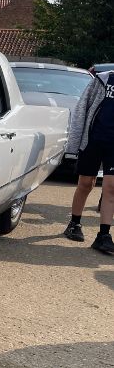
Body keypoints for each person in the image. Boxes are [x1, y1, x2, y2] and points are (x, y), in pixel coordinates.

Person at [63, 67, 114, 253]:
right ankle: (74, 223)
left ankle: (104, 235)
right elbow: (81, 110)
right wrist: (73, 147)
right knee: (86, 183)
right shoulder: (103, 79)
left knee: (111, 187)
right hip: (93, 140)